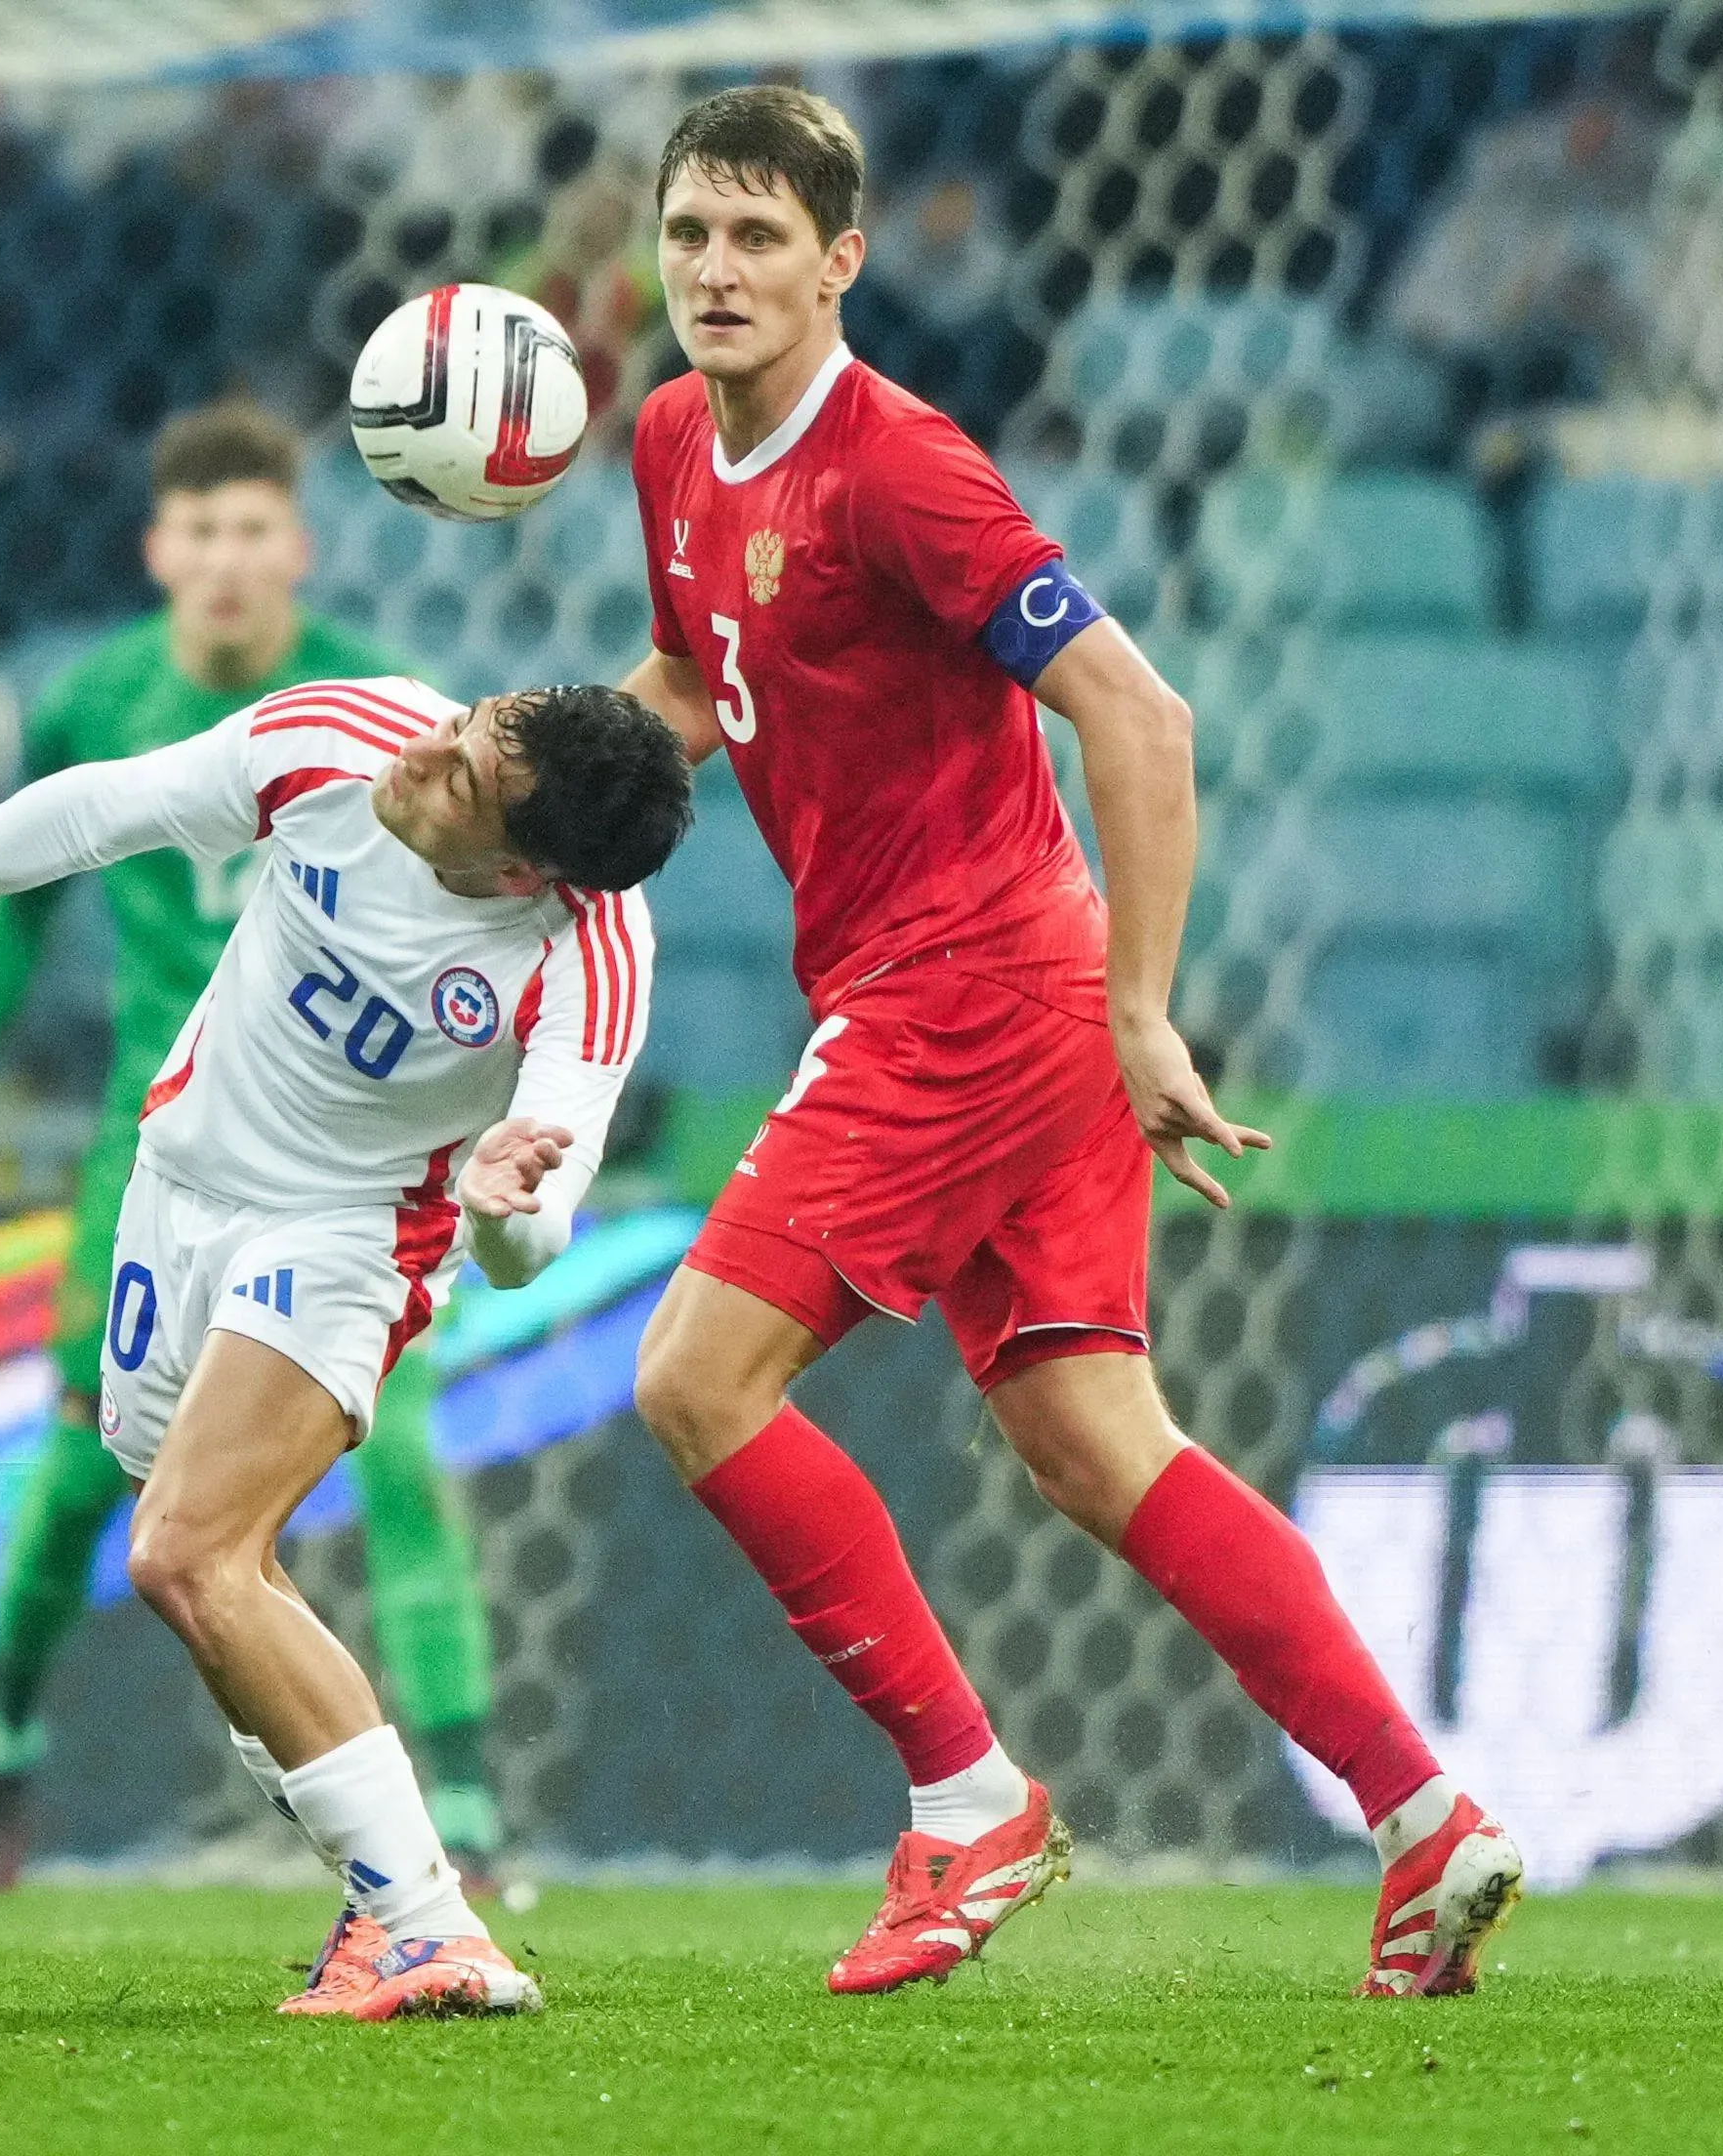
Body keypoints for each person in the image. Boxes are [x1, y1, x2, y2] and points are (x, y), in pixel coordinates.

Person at [617, 87, 1522, 1999]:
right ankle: (1424, 1813)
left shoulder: (903, 468)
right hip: (955, 988)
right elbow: (704, 681)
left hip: (977, 990)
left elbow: (1142, 714)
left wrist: (1138, 1009)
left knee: (698, 1379)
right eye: (692, 231)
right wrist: (538, 782)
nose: (715, 269)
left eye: (758, 238)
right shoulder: (672, 445)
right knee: (1100, 1444)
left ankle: (969, 1806)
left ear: (843, 259)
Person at [0, 672, 691, 2017]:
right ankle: (384, 1894)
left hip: (353, 1231)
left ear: (524, 871)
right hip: (180, 1184)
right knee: (213, 1575)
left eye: (465, 780)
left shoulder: (588, 955)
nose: (430, 756)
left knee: (188, 1550)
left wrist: (506, 1208)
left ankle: (428, 1920)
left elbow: (537, 1230)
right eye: (469, 726)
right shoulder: (346, 736)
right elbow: (110, 810)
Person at [0, 401, 517, 1894]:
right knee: (76, 1473)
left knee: (407, 1457)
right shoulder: (101, 699)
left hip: (354, 1166)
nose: (231, 560)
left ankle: (475, 1823)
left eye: (258, 531)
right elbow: (17, 906)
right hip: (154, 1147)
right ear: (159, 549)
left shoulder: (388, 713)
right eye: (205, 532)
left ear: (297, 549)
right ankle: (3, 1757)